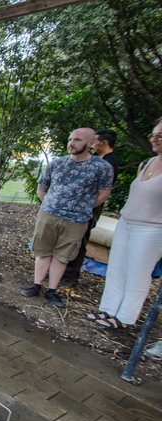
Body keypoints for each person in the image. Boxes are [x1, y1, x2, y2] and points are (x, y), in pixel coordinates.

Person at [20, 128, 113, 307]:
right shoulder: (57, 164)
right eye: (70, 139)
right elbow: (41, 189)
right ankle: (36, 285)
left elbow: (103, 194)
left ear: (90, 143)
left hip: (76, 220)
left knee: (63, 256)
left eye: (77, 140)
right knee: (43, 251)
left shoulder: (102, 167)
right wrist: (51, 205)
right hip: (49, 214)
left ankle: (52, 291)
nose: (71, 143)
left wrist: (81, 208)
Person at [87, 121, 162, 329]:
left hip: (152, 229)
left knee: (137, 272)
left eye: (160, 135)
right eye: (153, 134)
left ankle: (125, 317)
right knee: (117, 268)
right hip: (127, 222)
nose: (155, 138)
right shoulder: (147, 163)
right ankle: (108, 310)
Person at [60, 129, 120, 287]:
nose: (92, 145)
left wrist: (86, 206)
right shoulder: (92, 159)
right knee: (67, 240)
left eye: (95, 141)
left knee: (79, 241)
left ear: (104, 143)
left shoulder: (109, 162)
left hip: (90, 208)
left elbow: (103, 191)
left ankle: (70, 276)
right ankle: (59, 272)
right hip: (73, 207)